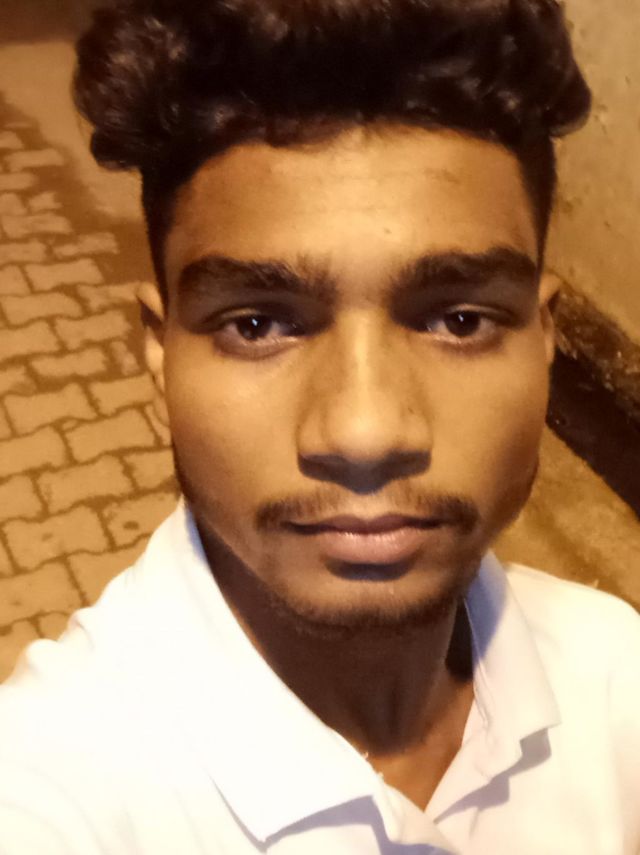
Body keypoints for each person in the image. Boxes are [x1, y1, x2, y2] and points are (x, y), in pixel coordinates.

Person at [0, 0, 638, 852]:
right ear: (159, 350)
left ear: (545, 337)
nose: (365, 432)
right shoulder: (50, 782)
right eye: (258, 324)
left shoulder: (616, 675)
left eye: (458, 320)